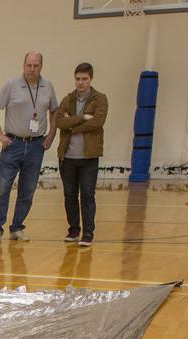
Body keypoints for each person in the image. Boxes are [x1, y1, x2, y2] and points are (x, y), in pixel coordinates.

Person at [0, 52, 57, 244]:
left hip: (36, 146)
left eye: (35, 66)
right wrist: (0, 134)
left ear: (41, 66)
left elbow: (54, 111)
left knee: (28, 191)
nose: (32, 69)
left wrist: (51, 134)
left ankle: (17, 227)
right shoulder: (11, 85)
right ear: (23, 65)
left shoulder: (48, 86)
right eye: (28, 65)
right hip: (13, 144)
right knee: (3, 188)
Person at [54, 62, 108, 247]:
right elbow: (60, 122)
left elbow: (98, 122)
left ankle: (88, 233)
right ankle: (74, 230)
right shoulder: (67, 99)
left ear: (91, 79)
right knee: (69, 195)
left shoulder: (100, 99)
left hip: (88, 158)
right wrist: (82, 117)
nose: (80, 83)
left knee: (87, 194)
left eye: (84, 79)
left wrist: (73, 125)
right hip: (67, 158)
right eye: (77, 79)